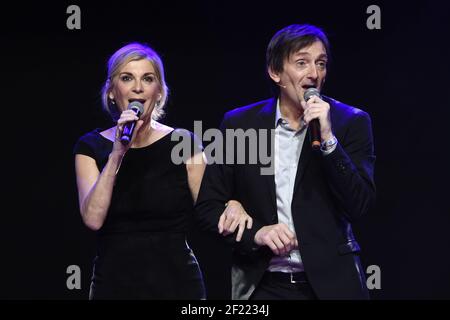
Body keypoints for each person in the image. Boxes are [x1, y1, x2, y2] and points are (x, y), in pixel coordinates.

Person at [195, 24, 376, 300]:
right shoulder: (239, 124)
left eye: (321, 63)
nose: (314, 74)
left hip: (332, 284)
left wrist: (328, 140)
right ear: (275, 72)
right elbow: (208, 207)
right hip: (264, 284)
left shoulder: (350, 122)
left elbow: (360, 203)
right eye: (302, 63)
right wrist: (257, 233)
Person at [73, 42, 209, 299]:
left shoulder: (184, 143)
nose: (137, 87)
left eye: (148, 79)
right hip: (113, 286)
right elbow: (93, 219)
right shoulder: (90, 146)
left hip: (178, 285)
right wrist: (116, 154)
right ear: (112, 91)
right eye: (127, 78)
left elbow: (210, 210)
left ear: (159, 92)